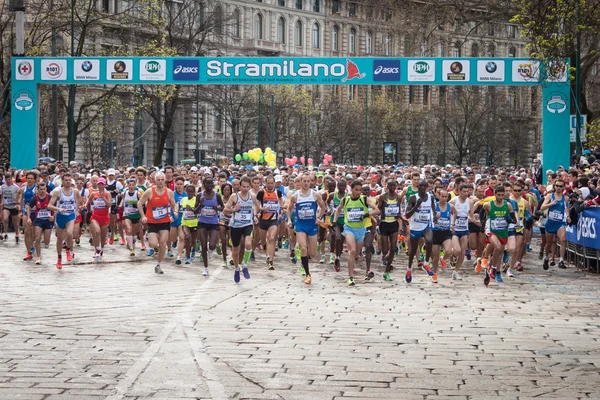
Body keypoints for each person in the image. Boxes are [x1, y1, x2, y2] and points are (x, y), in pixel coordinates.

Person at [333, 180, 378, 286]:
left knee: (356, 254)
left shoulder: (364, 199)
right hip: (349, 229)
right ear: (351, 189)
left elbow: (377, 210)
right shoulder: (346, 200)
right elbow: (338, 210)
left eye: (360, 190)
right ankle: (350, 277)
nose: (358, 192)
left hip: (361, 230)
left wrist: (367, 215)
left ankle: (352, 271)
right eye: (356, 190)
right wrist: (334, 221)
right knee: (352, 251)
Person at [287, 173, 328, 285]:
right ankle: (307, 274)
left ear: (311, 182)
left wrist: (318, 217)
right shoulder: (295, 196)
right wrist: (290, 220)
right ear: (300, 182)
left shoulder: (315, 195)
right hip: (300, 224)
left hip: (312, 225)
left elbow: (323, 206)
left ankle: (304, 258)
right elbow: (289, 208)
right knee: (303, 247)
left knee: (313, 253)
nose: (305, 183)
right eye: (303, 181)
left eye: (308, 181)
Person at [137, 172, 179, 274]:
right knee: (153, 244)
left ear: (165, 180)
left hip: (164, 221)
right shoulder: (149, 192)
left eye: (162, 180)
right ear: (155, 181)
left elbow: (174, 205)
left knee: (163, 243)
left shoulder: (169, 192)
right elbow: (139, 203)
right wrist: (143, 216)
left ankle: (158, 264)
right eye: (158, 180)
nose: (160, 182)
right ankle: (155, 246)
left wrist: (176, 211)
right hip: (152, 222)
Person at [224, 176, 257, 283]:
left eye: (247, 187)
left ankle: (245, 266)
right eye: (243, 186)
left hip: (247, 224)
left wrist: (256, 215)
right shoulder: (234, 196)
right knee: (235, 250)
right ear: (240, 186)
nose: (245, 189)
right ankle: (237, 269)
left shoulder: (252, 196)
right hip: (235, 226)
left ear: (250, 187)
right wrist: (234, 209)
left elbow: (256, 206)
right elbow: (225, 211)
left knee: (248, 244)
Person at [405, 180, 438, 283]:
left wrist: (434, 215)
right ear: (418, 187)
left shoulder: (431, 197)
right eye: (421, 186)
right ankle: (409, 268)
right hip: (415, 226)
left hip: (427, 224)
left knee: (429, 240)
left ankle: (426, 263)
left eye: (425, 186)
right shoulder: (413, 198)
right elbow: (407, 215)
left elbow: (432, 207)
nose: (423, 188)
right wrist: (416, 206)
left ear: (427, 187)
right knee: (413, 250)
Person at [482, 185, 516, 286]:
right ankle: (490, 265)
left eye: (502, 195)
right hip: (491, 230)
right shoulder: (488, 205)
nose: (501, 197)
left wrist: (510, 220)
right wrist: (481, 224)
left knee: (499, 250)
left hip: (503, 231)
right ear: (495, 194)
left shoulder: (508, 205)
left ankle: (492, 267)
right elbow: (481, 213)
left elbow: (514, 219)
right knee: (497, 246)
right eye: (499, 195)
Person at [48, 173, 80, 269]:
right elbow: (49, 206)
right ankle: (59, 258)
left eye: (69, 180)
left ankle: (68, 250)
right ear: (62, 181)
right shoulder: (57, 192)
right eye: (66, 180)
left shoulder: (75, 191)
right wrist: (58, 209)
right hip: (60, 216)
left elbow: (78, 201)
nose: (68, 182)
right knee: (59, 239)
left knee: (70, 233)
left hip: (70, 215)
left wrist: (77, 211)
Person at [196, 176, 224, 276]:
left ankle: (212, 249)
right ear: (204, 184)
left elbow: (223, 207)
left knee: (211, 245)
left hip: (213, 222)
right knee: (203, 246)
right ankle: (206, 268)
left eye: (210, 183)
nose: (208, 185)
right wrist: (200, 204)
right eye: (206, 183)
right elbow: (195, 211)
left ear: (213, 184)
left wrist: (217, 208)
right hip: (202, 222)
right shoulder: (200, 195)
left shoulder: (217, 196)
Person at [256, 175, 284, 270]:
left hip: (273, 220)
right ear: (265, 183)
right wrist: (261, 209)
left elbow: (282, 204)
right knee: (263, 241)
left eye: (272, 183)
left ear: (274, 183)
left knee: (272, 239)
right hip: (263, 220)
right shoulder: (261, 192)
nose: (270, 185)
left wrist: (282, 211)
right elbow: (257, 205)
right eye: (268, 183)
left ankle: (271, 261)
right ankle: (266, 252)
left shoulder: (278, 193)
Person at [540, 179, 570, 270]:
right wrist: (551, 204)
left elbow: (566, 208)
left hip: (560, 222)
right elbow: (542, 207)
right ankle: (546, 258)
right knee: (549, 242)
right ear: (554, 186)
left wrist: (568, 216)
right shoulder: (549, 196)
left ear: (563, 187)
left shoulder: (566, 198)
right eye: (557, 186)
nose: (558, 188)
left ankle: (561, 261)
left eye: (561, 186)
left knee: (563, 239)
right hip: (550, 222)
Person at [449, 184, 476, 280]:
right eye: (463, 191)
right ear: (459, 191)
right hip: (455, 229)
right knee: (457, 250)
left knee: (462, 252)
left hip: (464, 229)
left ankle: (456, 271)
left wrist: (474, 220)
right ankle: (448, 251)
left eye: (467, 191)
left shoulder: (470, 202)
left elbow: (470, 215)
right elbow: (447, 213)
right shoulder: (453, 201)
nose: (465, 193)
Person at [377, 178, 401, 281]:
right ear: (387, 186)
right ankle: (385, 256)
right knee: (385, 250)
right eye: (390, 186)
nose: (392, 188)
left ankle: (386, 271)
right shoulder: (382, 197)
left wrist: (403, 219)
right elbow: (378, 209)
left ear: (396, 187)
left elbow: (399, 211)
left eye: (394, 186)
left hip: (394, 224)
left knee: (393, 247)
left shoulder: (399, 198)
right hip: (384, 223)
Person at [26, 181, 54, 265]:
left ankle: (44, 240)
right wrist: (28, 218)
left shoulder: (50, 198)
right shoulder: (34, 198)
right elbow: (28, 207)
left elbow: (56, 207)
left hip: (48, 221)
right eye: (41, 189)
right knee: (37, 238)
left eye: (44, 189)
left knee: (46, 242)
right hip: (38, 220)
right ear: (38, 189)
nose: (42, 191)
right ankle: (38, 257)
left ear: (46, 189)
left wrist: (53, 216)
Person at [431, 189, 455, 283]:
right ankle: (434, 274)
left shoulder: (450, 206)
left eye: (446, 197)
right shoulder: (434, 206)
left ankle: (444, 259)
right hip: (435, 232)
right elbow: (429, 218)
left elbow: (455, 212)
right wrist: (434, 217)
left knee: (449, 250)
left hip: (446, 232)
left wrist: (452, 224)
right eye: (442, 196)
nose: (444, 199)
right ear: (438, 196)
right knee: (435, 257)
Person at [87, 178, 111, 261]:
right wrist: (88, 208)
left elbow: (109, 205)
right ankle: (97, 249)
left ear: (104, 185)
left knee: (103, 237)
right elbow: (89, 201)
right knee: (97, 231)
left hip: (104, 217)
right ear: (97, 185)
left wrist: (103, 197)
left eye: (102, 184)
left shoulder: (107, 193)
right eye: (99, 184)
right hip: (95, 216)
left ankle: (101, 250)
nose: (100, 186)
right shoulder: (93, 194)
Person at [120, 178, 143, 257]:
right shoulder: (125, 193)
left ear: (135, 185)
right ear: (127, 185)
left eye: (133, 185)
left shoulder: (138, 194)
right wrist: (119, 205)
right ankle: (131, 248)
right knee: (129, 230)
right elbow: (123, 199)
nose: (131, 186)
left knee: (134, 233)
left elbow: (142, 203)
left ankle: (130, 241)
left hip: (136, 215)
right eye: (129, 185)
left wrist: (137, 205)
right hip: (127, 214)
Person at [18, 171, 37, 260]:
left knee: (34, 232)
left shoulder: (37, 188)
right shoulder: (23, 188)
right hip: (26, 211)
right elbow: (21, 200)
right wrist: (20, 211)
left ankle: (33, 244)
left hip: (35, 211)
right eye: (28, 178)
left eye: (31, 178)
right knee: (27, 231)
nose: (29, 180)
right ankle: (29, 252)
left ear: (34, 179)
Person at [180, 184, 199, 265]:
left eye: (192, 192)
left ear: (194, 192)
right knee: (187, 237)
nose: (190, 193)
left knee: (193, 241)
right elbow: (179, 208)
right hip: (185, 223)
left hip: (195, 223)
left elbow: (198, 212)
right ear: (186, 192)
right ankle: (187, 256)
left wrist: (191, 209)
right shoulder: (183, 199)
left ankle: (193, 251)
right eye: (188, 192)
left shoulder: (197, 200)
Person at [1, 172, 20, 243]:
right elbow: (2, 195)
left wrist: (17, 202)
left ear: (11, 179)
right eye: (6, 180)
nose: (8, 181)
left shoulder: (16, 187)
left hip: (14, 206)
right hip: (6, 206)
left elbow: (20, 195)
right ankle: (5, 233)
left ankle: (16, 234)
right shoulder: (3, 187)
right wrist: (2, 202)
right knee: (5, 219)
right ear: (5, 180)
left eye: (9, 180)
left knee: (15, 223)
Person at [218, 183, 233, 267]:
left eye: (228, 190)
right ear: (222, 191)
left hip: (231, 221)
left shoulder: (233, 199)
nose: (226, 191)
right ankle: (224, 259)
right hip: (222, 221)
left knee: (231, 241)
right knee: (223, 240)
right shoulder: (220, 199)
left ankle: (232, 257)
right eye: (225, 190)